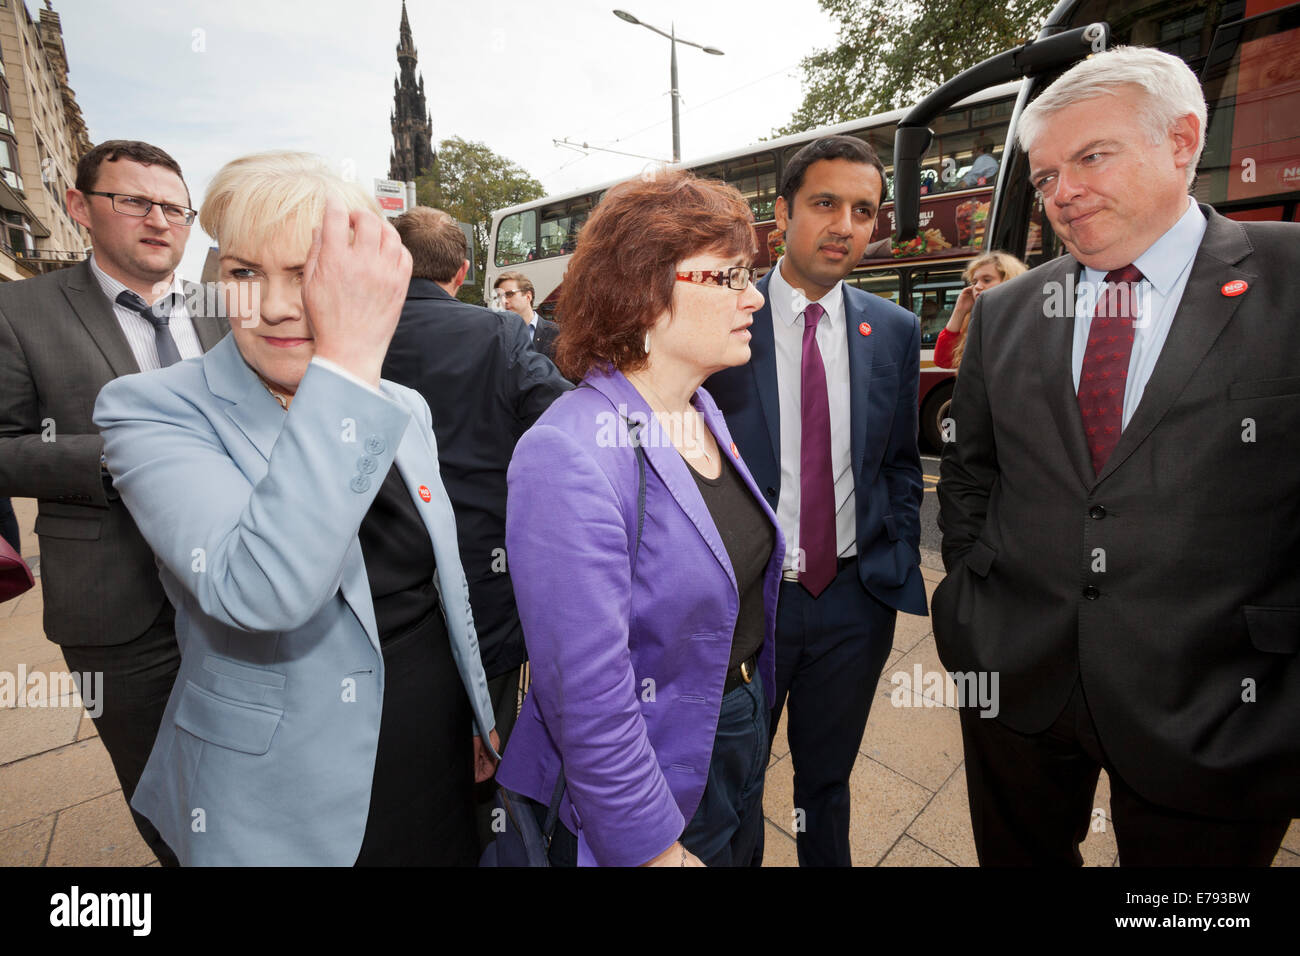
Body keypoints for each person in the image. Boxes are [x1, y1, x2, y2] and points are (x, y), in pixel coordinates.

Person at [934, 45, 1300, 866]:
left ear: (1180, 141)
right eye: (1046, 175)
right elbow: (970, 473)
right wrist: (969, 602)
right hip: (1017, 682)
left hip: (1220, 710)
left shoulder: (1291, 281)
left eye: (1090, 157)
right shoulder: (1009, 312)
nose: (1061, 193)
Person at [93, 152, 498, 866]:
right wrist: (343, 367)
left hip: (431, 747)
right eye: (246, 273)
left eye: (309, 274)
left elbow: (443, 583)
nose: (275, 306)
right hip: (284, 794)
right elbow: (257, 589)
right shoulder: (150, 408)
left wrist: (477, 715)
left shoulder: (402, 405)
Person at [497, 170, 785, 867]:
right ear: (646, 289)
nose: (754, 297)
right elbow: (587, 696)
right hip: (655, 771)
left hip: (733, 732)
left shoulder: (702, 409)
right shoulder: (568, 451)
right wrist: (650, 847)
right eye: (729, 277)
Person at [0, 140, 226, 865]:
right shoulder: (21, 308)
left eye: (174, 209)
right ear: (80, 208)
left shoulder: (224, 311)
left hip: (234, 595)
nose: (159, 221)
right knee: (163, 790)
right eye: (134, 201)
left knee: (246, 777)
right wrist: (117, 456)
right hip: (118, 611)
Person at [706, 135, 926, 867]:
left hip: (852, 605)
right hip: (749, 605)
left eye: (864, 210)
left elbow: (899, 461)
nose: (845, 225)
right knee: (732, 781)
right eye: (825, 203)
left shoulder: (891, 330)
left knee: (825, 785)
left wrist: (889, 554)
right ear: (781, 213)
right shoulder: (724, 317)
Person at [383, 206, 570, 846]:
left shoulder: (347, 332)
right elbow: (565, 423)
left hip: (376, 583)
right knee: (490, 733)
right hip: (483, 577)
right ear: (462, 272)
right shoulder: (500, 334)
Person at [932, 251, 1028, 370]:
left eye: (986, 280)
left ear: (1010, 282)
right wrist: (959, 311)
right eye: (974, 282)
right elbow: (943, 360)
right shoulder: (975, 321)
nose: (977, 286)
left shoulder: (1027, 320)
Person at [494, 271, 558, 360]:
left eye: (509, 294)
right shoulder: (497, 336)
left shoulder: (556, 333)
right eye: (500, 297)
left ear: (528, 296)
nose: (504, 301)